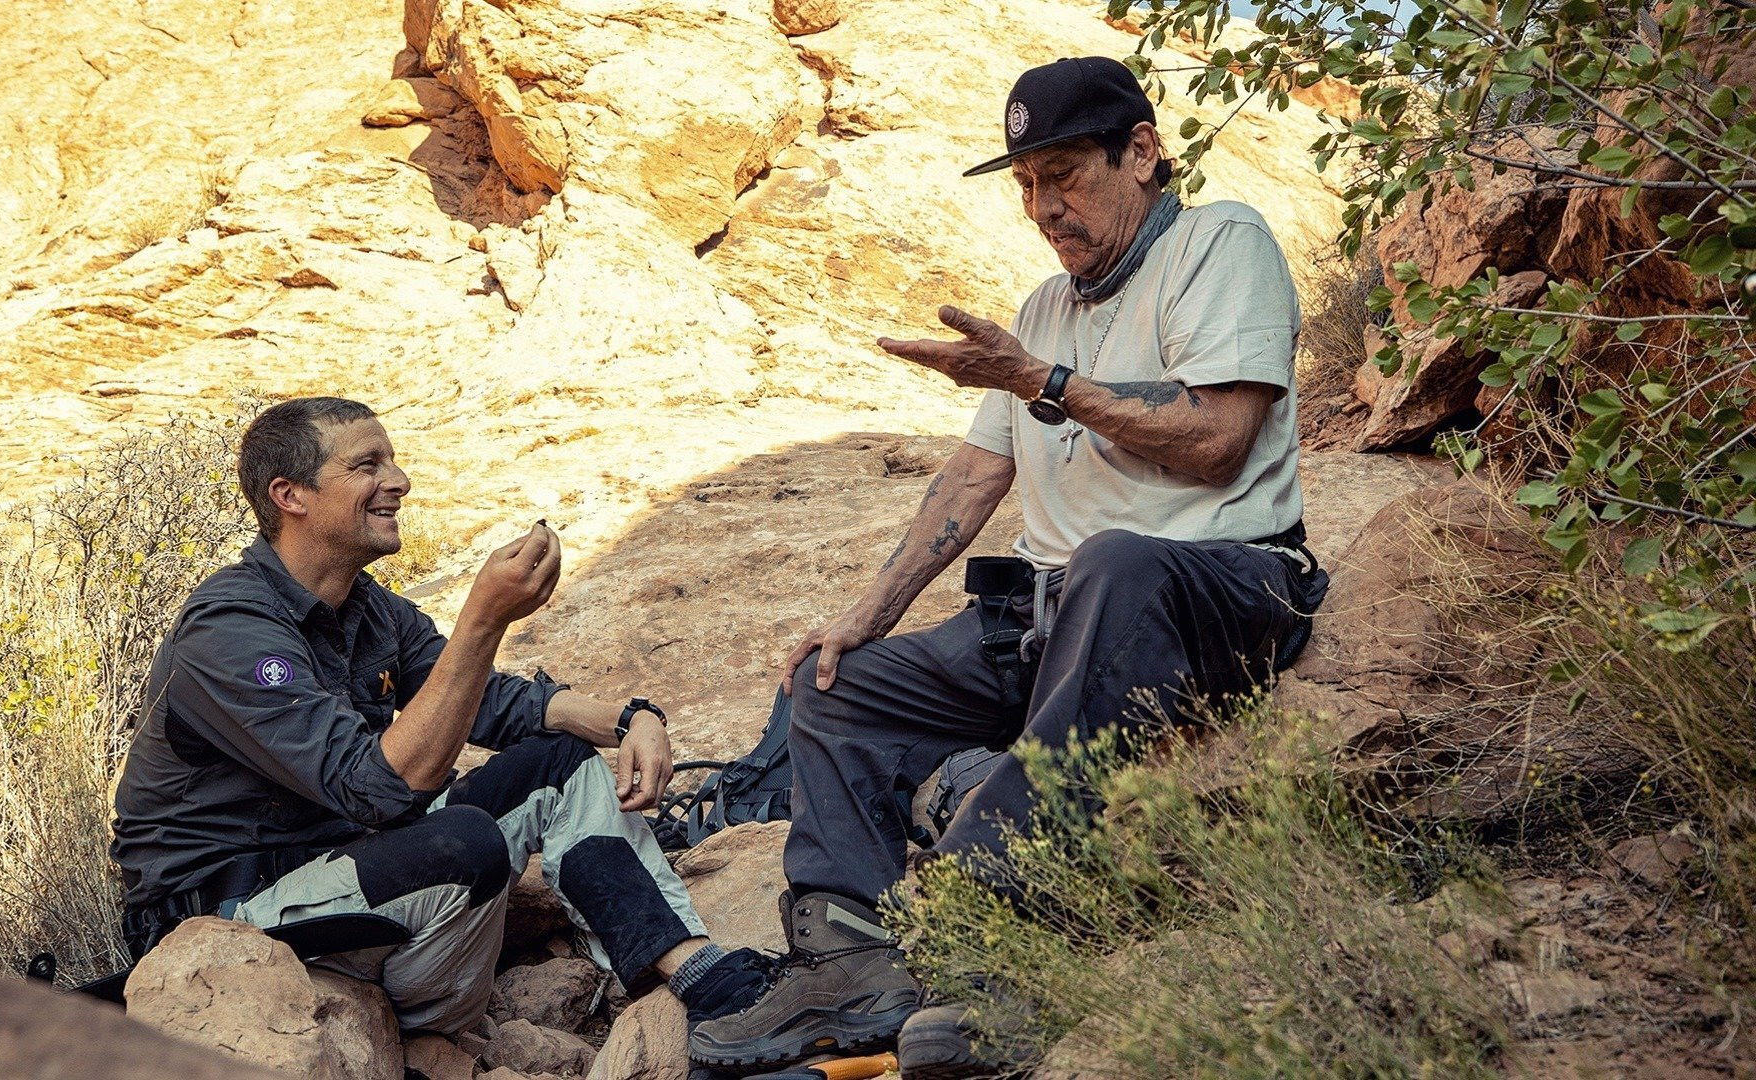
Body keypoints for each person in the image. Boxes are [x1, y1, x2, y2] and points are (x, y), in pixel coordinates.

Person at [690, 56, 1318, 1077]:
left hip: (1217, 587)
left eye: (1063, 174)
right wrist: (865, 615)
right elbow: (977, 475)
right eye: (1026, 183)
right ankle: (853, 967)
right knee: (831, 688)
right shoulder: (1044, 306)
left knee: (1114, 562)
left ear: (1143, 152)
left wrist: (1043, 380)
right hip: (1058, 617)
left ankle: (998, 941)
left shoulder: (1220, 241)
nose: (1040, 206)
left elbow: (1218, 441)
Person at [110, 397, 767, 1036]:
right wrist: (483, 617)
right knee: (463, 843)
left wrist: (629, 720)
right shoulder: (229, 628)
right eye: (368, 466)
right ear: (291, 496)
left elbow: (493, 700)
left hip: (341, 874)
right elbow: (376, 788)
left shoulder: (370, 610)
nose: (398, 481)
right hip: (227, 918)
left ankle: (692, 974)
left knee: (559, 764)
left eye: (392, 463)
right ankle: (424, 1026)